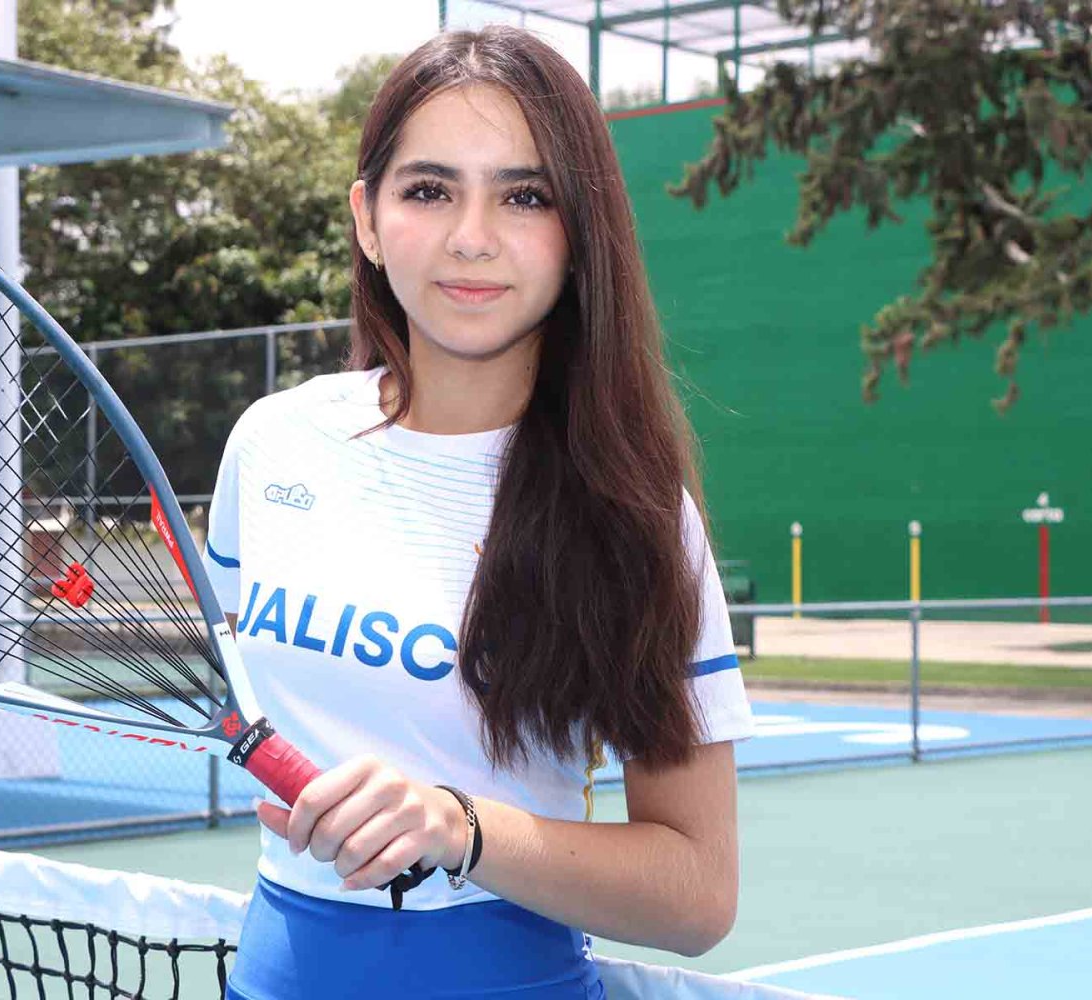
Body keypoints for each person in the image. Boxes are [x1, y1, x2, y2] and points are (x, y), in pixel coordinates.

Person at [203, 25, 754, 1000]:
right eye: (429, 190)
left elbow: (697, 893)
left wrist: (455, 824)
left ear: (579, 235)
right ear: (368, 220)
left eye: (525, 195)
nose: (472, 236)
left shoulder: (632, 511)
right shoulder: (273, 443)